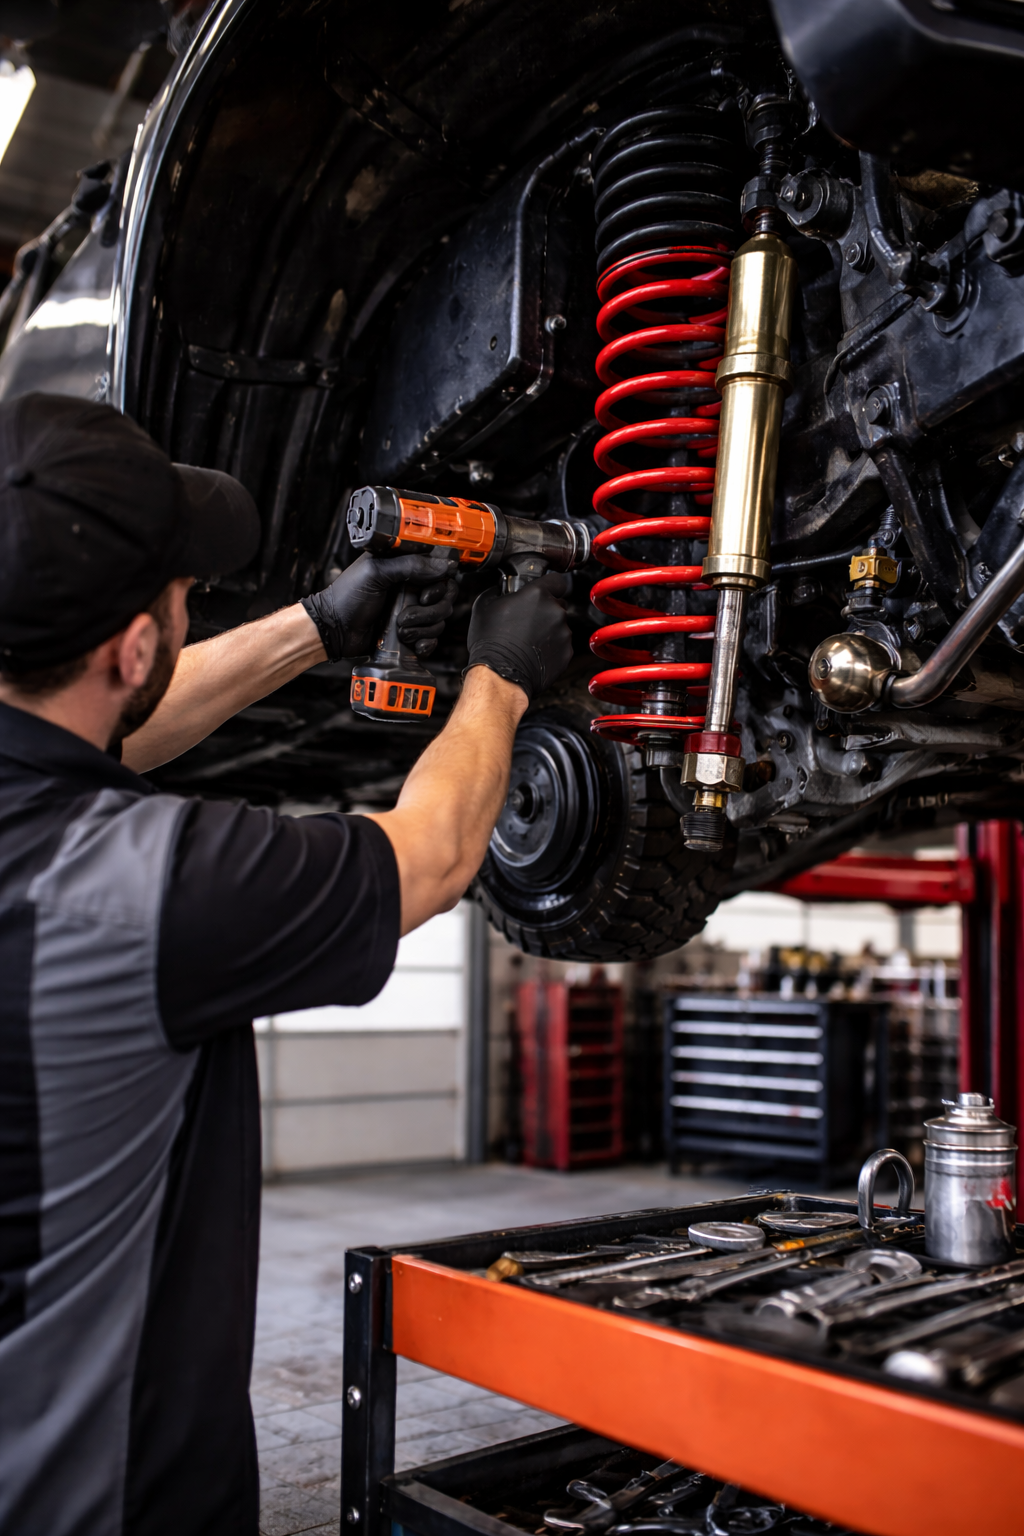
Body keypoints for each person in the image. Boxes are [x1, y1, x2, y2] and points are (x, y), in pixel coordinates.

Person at [0, 393, 573, 1536]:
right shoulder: (148, 885)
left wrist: (320, 621)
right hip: (96, 1498)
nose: (192, 600)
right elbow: (434, 853)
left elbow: (110, 731)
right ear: (137, 644)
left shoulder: (71, 837)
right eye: (182, 592)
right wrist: (500, 680)